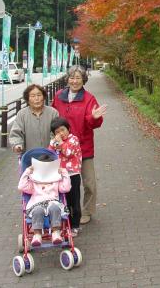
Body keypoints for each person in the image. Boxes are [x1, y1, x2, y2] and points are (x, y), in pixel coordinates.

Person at [52, 65, 106, 225]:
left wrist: (94, 117)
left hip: (83, 147)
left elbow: (94, 123)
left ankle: (87, 211)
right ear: (67, 79)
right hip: (62, 148)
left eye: (78, 78)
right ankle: (62, 209)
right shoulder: (58, 96)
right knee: (62, 181)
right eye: (72, 77)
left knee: (89, 182)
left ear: (84, 80)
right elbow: (53, 120)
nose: (74, 81)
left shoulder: (89, 98)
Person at [18, 154, 71, 246]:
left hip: (52, 203)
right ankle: (37, 234)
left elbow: (66, 188)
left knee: (54, 208)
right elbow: (21, 186)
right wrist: (27, 172)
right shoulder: (33, 182)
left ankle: (56, 232)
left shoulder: (56, 181)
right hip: (37, 204)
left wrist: (64, 173)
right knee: (38, 210)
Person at [49, 117, 82, 236]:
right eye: (57, 132)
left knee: (74, 201)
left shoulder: (73, 139)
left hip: (73, 175)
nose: (60, 134)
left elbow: (68, 153)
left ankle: (75, 225)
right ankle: (65, 224)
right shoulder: (54, 141)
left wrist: (61, 143)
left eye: (62, 130)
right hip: (60, 176)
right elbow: (50, 154)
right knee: (63, 201)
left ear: (68, 129)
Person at [9, 84, 59, 153]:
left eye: (39, 95)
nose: (36, 98)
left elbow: (57, 132)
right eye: (32, 96)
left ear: (43, 97)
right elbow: (16, 133)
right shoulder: (22, 114)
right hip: (28, 155)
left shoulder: (53, 112)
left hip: (50, 155)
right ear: (27, 99)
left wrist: (55, 143)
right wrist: (17, 144)